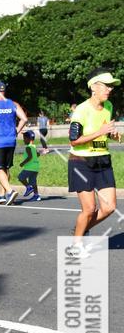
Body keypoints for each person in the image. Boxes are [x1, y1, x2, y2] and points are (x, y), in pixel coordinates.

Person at [68, 69, 120, 238]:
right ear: (93, 87)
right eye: (106, 85)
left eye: (111, 86)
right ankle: (76, 244)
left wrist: (113, 134)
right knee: (89, 209)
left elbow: (105, 131)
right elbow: (74, 140)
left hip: (103, 160)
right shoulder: (81, 110)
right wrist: (100, 132)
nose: (110, 89)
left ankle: (80, 230)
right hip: (81, 162)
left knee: (109, 207)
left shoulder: (108, 106)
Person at [0, 81, 27, 205]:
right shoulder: (14, 104)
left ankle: (9, 191)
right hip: (11, 141)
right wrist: (16, 131)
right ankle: (1, 195)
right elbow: (24, 119)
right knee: (5, 168)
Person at [18, 130, 41, 202]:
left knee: (20, 177)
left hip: (29, 167)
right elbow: (37, 154)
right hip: (36, 167)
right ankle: (36, 195)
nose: (23, 140)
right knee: (33, 182)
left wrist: (22, 163)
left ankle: (28, 187)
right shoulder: (34, 146)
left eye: (24, 138)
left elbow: (30, 157)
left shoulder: (28, 147)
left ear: (29, 139)